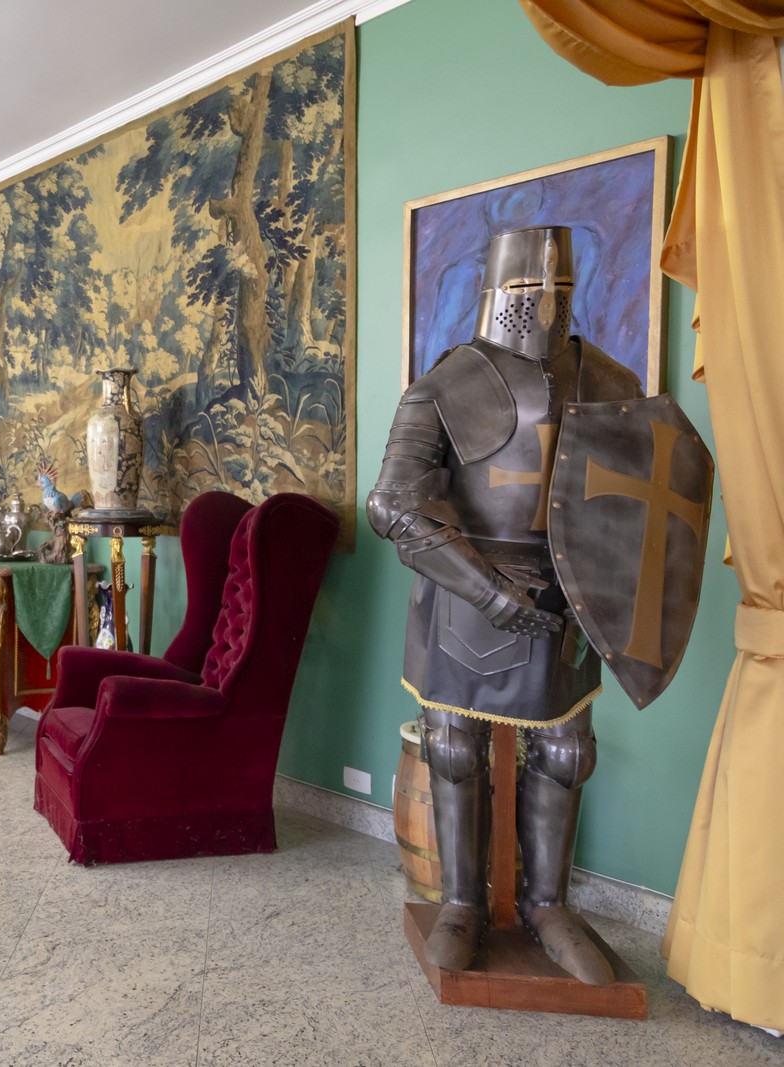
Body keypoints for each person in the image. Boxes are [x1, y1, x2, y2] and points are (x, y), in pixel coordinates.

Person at [366, 226, 642, 985]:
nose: (544, 303)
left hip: (570, 590)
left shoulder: (612, 383)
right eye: (528, 290)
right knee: (454, 747)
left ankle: (549, 906)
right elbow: (393, 505)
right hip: (467, 588)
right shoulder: (443, 386)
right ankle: (461, 901)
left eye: (559, 289)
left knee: (567, 751)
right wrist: (488, 590)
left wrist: (608, 592)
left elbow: (635, 505)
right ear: (496, 291)